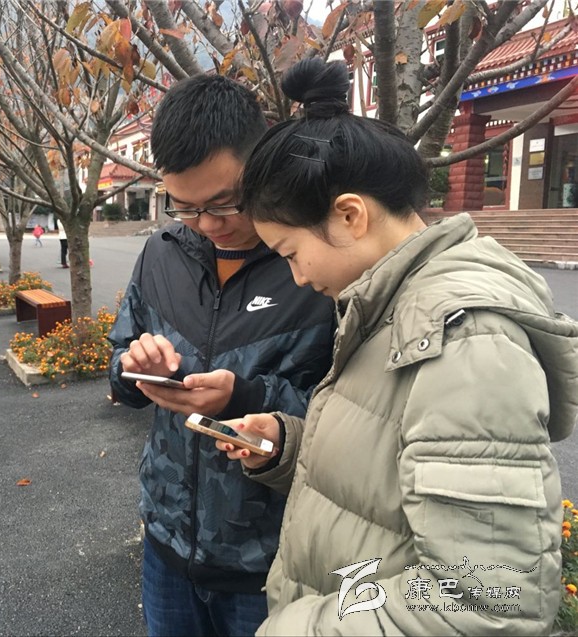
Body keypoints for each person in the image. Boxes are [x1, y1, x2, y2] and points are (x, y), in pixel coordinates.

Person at [217, 57, 578, 635]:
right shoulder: (389, 308)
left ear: (350, 215)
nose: (297, 277)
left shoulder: (465, 342)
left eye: (290, 253)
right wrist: (289, 447)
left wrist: (297, 627)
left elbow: (489, 598)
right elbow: (393, 469)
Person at [107, 74, 336, 637]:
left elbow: (354, 415)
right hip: (167, 543)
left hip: (273, 559)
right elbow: (119, 365)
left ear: (262, 164)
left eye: (224, 202)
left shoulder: (316, 264)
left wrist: (244, 396)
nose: (209, 225)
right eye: (185, 207)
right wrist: (135, 370)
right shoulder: (161, 253)